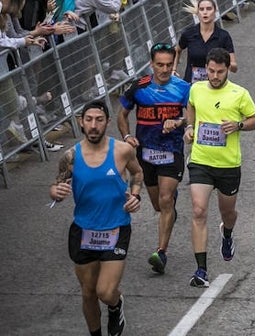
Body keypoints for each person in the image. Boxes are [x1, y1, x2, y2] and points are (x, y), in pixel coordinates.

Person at [49, 100, 143, 336]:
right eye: (88, 120)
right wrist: (55, 192)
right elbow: (57, 187)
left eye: (99, 120)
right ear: (81, 123)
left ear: (107, 123)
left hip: (116, 228)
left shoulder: (122, 150)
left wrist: (135, 195)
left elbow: (138, 172)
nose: (93, 125)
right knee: (88, 292)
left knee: (105, 291)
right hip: (83, 230)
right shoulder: (70, 157)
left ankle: (116, 304)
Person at [182, 48, 255, 288]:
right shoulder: (196, 88)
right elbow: (191, 106)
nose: (215, 76)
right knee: (198, 210)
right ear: (206, 68)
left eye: (220, 72)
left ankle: (227, 233)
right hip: (201, 160)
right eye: (211, 71)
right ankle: (201, 270)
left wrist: (237, 125)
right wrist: (189, 127)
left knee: (228, 213)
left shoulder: (239, 94)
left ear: (227, 70)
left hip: (228, 164)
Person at [117, 43, 190, 275]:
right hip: (145, 154)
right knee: (159, 205)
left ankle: (161, 252)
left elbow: (192, 113)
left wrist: (179, 121)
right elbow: (122, 114)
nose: (165, 69)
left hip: (172, 150)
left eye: (169, 64)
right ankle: (169, 206)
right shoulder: (139, 87)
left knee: (166, 199)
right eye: (160, 64)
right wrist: (127, 135)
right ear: (151, 64)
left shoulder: (183, 87)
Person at [175, 0, 236, 84]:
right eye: (201, 9)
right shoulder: (189, 34)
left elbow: (233, 63)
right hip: (192, 84)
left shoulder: (223, 36)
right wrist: (173, 69)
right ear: (197, 12)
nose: (205, 12)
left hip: (215, 83)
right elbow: (177, 50)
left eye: (209, 9)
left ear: (215, 11)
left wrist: (230, 66)